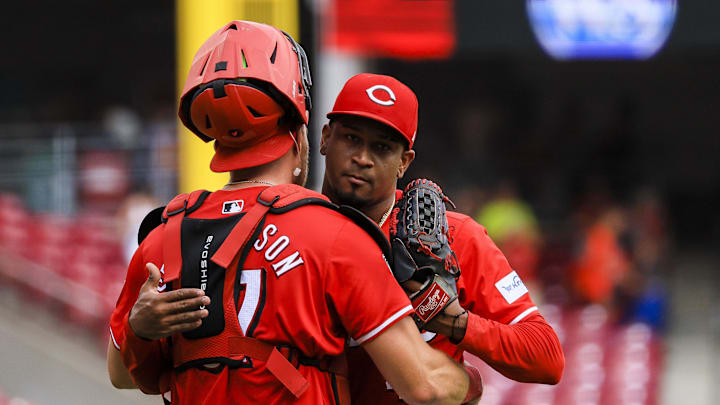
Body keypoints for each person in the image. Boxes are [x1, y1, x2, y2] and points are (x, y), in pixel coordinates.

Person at [106, 21, 476, 405]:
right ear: (300, 133)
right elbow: (425, 386)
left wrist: (140, 328)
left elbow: (120, 375)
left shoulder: (163, 236)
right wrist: (473, 384)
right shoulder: (336, 236)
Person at [318, 73, 565, 403]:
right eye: (351, 138)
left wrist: (455, 322)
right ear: (324, 138)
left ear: (404, 162)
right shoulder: (293, 231)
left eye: (381, 147)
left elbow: (545, 355)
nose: (362, 158)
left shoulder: (455, 237)